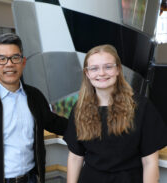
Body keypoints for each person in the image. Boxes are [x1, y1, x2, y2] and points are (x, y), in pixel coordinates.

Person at [0, 33, 68, 183]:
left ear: (23, 62)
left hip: (30, 179)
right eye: (2, 59)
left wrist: (90, 128)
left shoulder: (34, 96)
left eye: (15, 58)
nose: (9, 64)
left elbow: (54, 123)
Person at [64, 44, 167, 183]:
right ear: (87, 74)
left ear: (118, 69)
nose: (101, 73)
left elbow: (150, 162)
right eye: (94, 68)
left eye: (108, 67)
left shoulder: (141, 107)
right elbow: (75, 157)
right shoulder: (79, 109)